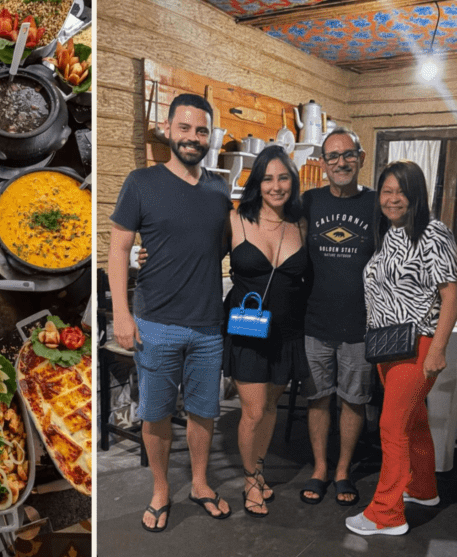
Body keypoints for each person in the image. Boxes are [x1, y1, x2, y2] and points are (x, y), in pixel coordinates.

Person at [109, 93, 233, 532]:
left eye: (201, 130)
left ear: (210, 136)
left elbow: (218, 247)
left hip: (207, 325)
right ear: (168, 128)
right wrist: (122, 315)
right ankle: (161, 489)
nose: (193, 138)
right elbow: (119, 250)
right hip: (155, 322)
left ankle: (199, 483)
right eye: (185, 128)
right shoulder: (141, 183)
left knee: (204, 411)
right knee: (156, 413)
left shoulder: (220, 189)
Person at [344, 161, 457, 535]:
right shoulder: (391, 231)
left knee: (392, 428)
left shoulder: (433, 232)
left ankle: (386, 515)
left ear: (416, 194)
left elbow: (450, 293)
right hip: (387, 345)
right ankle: (423, 490)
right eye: (386, 191)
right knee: (415, 421)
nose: (392, 199)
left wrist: (439, 348)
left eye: (400, 192)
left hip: (418, 344)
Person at [222, 146, 308, 517]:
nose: (276, 186)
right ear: (257, 181)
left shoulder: (300, 224)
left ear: (293, 181)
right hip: (247, 330)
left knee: (271, 406)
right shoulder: (235, 219)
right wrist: (145, 256)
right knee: (253, 412)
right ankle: (250, 480)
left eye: (283, 177)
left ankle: (259, 470)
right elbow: (195, 254)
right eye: (268, 178)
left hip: (287, 331)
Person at [299, 127, 378, 506]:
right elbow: (273, 227)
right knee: (317, 398)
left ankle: (343, 470)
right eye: (333, 156)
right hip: (315, 321)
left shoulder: (379, 204)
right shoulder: (309, 201)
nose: (341, 162)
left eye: (348, 154)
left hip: (362, 325)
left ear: (361, 158)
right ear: (324, 163)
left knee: (353, 400)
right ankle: (319, 468)